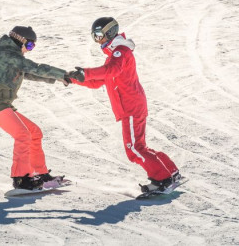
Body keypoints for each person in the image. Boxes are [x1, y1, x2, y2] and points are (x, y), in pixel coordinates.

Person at [67, 17, 180, 193]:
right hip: (133, 105)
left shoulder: (120, 52)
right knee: (139, 146)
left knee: (134, 149)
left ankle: (162, 180)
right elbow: (98, 81)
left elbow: (111, 70)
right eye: (94, 37)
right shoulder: (114, 56)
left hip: (131, 107)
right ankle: (170, 172)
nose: (98, 41)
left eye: (99, 35)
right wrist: (74, 78)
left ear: (110, 33)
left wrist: (85, 73)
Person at [0, 26, 69, 190]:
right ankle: (21, 178)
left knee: (34, 132)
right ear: (20, 40)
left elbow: (32, 74)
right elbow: (34, 67)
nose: (30, 50)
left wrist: (60, 78)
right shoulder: (7, 54)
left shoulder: (13, 56)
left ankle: (40, 174)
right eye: (29, 46)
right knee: (22, 134)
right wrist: (61, 74)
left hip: (3, 103)